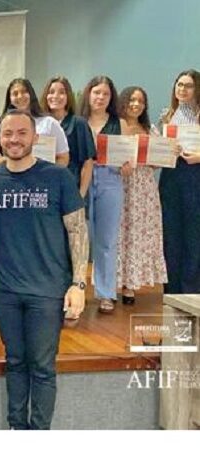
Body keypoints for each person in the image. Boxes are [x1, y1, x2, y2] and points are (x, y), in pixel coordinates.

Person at [0, 110, 88, 430]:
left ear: (35, 138)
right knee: (15, 362)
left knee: (42, 366)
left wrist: (78, 285)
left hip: (47, 289)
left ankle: (39, 433)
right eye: (8, 133)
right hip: (4, 290)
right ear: (1, 139)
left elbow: (78, 231)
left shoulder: (58, 177)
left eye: (21, 133)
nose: (14, 139)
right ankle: (17, 428)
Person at [115, 86, 169, 304]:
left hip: (144, 188)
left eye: (140, 101)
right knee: (118, 233)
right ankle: (112, 284)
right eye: (131, 100)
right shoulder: (114, 126)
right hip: (119, 185)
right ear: (123, 102)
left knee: (138, 234)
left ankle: (131, 285)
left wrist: (167, 152)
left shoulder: (150, 129)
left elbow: (158, 162)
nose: (135, 104)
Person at [80, 75, 126, 313]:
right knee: (79, 238)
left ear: (111, 98)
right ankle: (74, 291)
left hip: (110, 180)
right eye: (96, 92)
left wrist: (128, 165)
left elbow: (129, 158)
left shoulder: (120, 123)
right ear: (88, 94)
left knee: (106, 240)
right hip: (82, 179)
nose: (100, 97)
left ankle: (106, 293)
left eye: (105, 94)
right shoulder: (78, 121)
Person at [158, 69, 200, 294]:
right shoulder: (167, 115)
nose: (182, 89)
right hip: (171, 177)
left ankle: (192, 289)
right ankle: (172, 289)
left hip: (196, 176)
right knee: (171, 233)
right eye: (179, 85)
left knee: (194, 233)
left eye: (188, 85)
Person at [0, 78, 69, 168]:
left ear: (31, 94)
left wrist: (49, 174)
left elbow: (63, 157)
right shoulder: (3, 126)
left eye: (24, 92)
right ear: (10, 99)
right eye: (15, 94)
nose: (20, 96)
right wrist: (18, 159)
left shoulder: (50, 123)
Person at [41, 76, 96, 198]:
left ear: (68, 97)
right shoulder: (40, 124)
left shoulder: (78, 123)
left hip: (70, 188)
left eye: (62, 92)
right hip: (43, 189)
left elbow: (88, 163)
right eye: (51, 92)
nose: (55, 96)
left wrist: (80, 195)